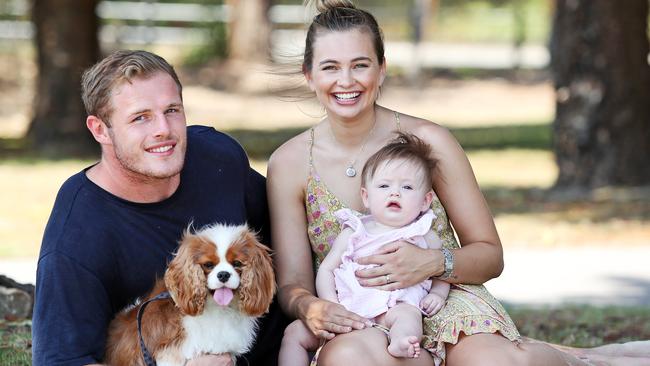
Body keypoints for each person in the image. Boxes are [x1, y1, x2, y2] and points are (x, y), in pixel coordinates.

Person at [267, 1, 650, 365]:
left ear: (382, 69)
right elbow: (294, 284)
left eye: (360, 65)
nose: (346, 81)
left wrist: (431, 262)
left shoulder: (429, 141)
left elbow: (489, 255)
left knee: (488, 361)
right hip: (364, 311)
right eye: (330, 67)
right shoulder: (291, 162)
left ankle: (584, 360)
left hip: (445, 299)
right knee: (348, 358)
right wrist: (311, 307)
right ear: (309, 74)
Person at [32, 50, 288, 366]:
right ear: (100, 129)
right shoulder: (78, 234)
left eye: (172, 110)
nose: (163, 130)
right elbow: (63, 361)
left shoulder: (218, 156)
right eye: (141, 117)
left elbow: (285, 229)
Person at [280, 133, 451, 365]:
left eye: (408, 187)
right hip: (348, 309)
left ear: (425, 201)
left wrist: (437, 294)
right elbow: (328, 269)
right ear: (366, 197)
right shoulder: (355, 230)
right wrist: (330, 305)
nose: (395, 193)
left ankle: (401, 343)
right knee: (294, 333)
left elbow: (442, 268)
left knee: (408, 317)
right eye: (384, 185)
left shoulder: (423, 234)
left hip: (394, 307)